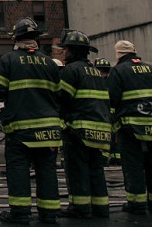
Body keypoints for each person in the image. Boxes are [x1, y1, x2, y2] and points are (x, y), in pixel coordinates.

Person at [0, 17, 61, 225]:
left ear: (16, 38)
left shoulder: (8, 60)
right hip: (49, 130)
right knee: (47, 170)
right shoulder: (49, 63)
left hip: (21, 129)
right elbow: (58, 94)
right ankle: (49, 213)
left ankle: (20, 213)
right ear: (36, 39)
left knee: (18, 170)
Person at [56, 30, 111, 219]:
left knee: (77, 169)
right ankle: (101, 207)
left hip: (78, 130)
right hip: (100, 129)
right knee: (96, 169)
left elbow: (63, 98)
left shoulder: (71, 71)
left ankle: (80, 207)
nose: (63, 53)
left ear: (72, 50)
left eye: (65, 50)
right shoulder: (96, 72)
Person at [107, 40, 152, 215]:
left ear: (118, 55)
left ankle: (137, 203)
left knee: (133, 166)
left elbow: (112, 99)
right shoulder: (149, 68)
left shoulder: (118, 71)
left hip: (130, 127)